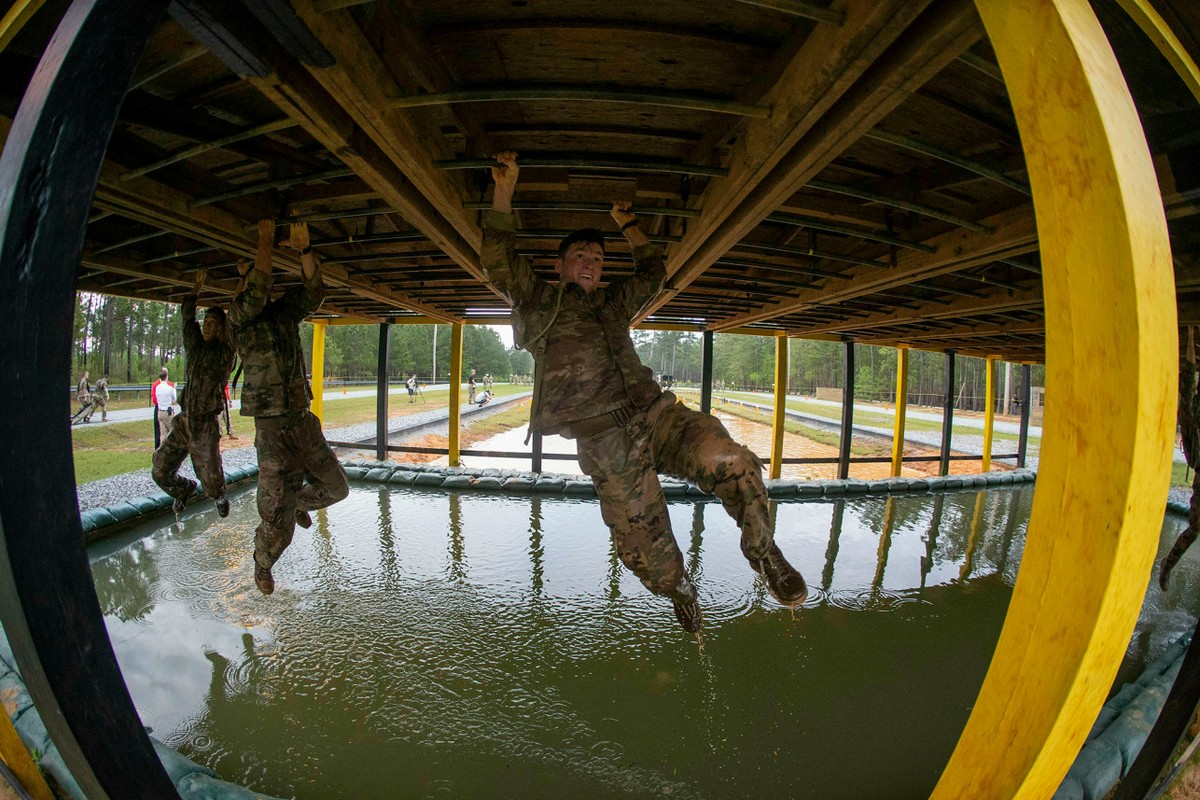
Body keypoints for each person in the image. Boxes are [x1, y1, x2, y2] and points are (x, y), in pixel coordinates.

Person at [482, 151, 807, 633]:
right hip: (606, 444)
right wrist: (504, 190)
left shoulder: (614, 303)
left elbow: (654, 273)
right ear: (560, 264)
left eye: (597, 258)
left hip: (659, 417)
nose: (591, 263)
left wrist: (628, 223)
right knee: (646, 553)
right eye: (581, 256)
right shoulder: (539, 299)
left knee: (735, 461)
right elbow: (497, 258)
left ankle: (764, 555)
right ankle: (679, 589)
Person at [228, 219, 349, 595]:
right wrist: (264, 239)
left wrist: (305, 249)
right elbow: (257, 288)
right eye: (252, 281)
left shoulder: (282, 314)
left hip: (301, 421)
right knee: (278, 526)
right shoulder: (238, 320)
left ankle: (299, 502)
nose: (261, 286)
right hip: (273, 431)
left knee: (336, 488)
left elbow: (314, 292)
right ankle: (262, 562)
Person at [152, 270, 237, 518]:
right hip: (184, 420)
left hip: (205, 425)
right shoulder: (196, 348)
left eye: (213, 323)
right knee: (159, 469)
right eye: (206, 322)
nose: (207, 327)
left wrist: (239, 285)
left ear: (222, 328)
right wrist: (196, 288)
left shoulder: (225, 352)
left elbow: (236, 320)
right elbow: (188, 319)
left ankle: (219, 496)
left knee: (211, 479)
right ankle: (183, 490)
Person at [154, 368, 177, 438]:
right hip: (168, 412)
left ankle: (162, 448)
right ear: (166, 376)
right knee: (173, 431)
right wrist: (174, 388)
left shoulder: (157, 387)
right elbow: (174, 398)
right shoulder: (169, 388)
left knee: (163, 434)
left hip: (160, 411)